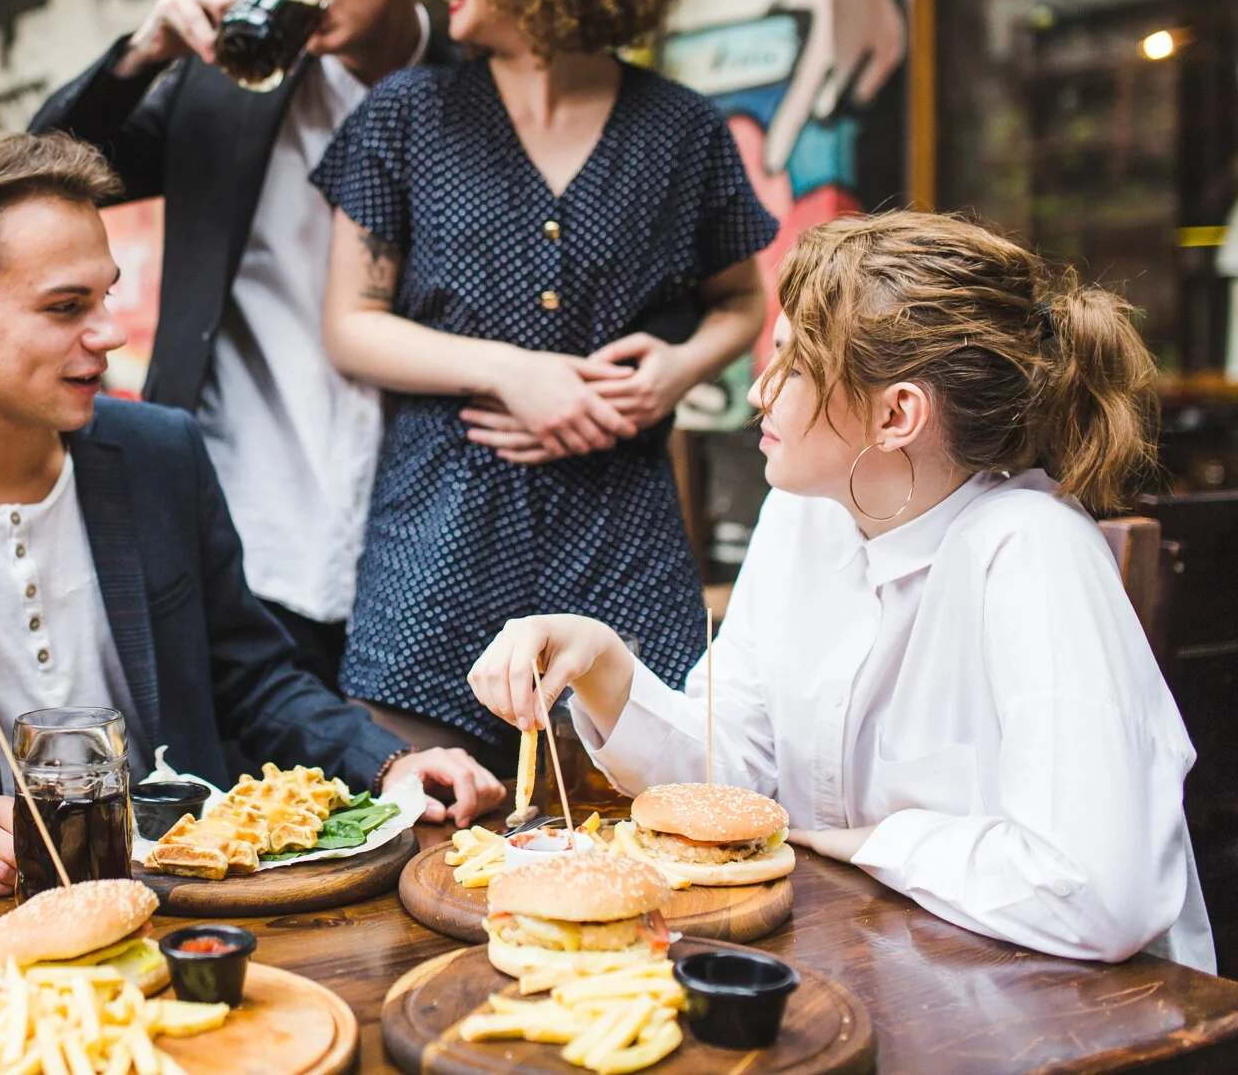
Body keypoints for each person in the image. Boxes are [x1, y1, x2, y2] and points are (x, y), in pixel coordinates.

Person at [0, 131, 503, 897]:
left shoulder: (160, 451)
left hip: (200, 894)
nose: (108, 333)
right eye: (66, 306)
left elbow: (255, 676)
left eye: (104, 296)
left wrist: (389, 759)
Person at [471, 212, 1214, 972]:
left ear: (897, 414)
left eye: (793, 364)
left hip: (1085, 1017)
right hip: (881, 969)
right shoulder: (802, 516)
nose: (760, 390)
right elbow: (738, 781)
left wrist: (875, 844)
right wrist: (603, 664)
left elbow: (1097, 892)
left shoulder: (1034, 551)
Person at [314, 0, 777, 761]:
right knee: (422, 834)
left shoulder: (683, 132)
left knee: (637, 829)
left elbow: (746, 302)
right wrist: (515, 371)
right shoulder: (402, 119)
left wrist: (678, 371)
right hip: (433, 556)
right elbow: (350, 324)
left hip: (622, 545)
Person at [30, 0, 453, 690]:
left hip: (427, 529)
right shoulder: (224, 86)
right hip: (246, 521)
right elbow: (42, 169)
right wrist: (144, 49)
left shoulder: (477, 86)